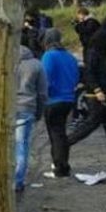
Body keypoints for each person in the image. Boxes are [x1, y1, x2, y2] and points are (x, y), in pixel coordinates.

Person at [0, 45, 48, 193]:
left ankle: (0, 178)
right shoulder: (36, 64)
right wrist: (39, 111)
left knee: (1, 145)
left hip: (2, 109)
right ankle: (17, 181)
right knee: (21, 145)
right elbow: (42, 93)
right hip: (26, 108)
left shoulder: (0, 63)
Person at [67, 16, 106, 159]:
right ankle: (66, 143)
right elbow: (90, 72)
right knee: (93, 122)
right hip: (96, 93)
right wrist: (97, 89)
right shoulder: (95, 51)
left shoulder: (103, 50)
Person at [40, 28, 80, 179]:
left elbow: (45, 79)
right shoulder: (69, 56)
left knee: (55, 135)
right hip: (68, 99)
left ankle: (59, 167)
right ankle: (64, 165)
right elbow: (76, 77)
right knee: (61, 133)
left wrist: (43, 95)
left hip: (53, 100)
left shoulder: (49, 56)